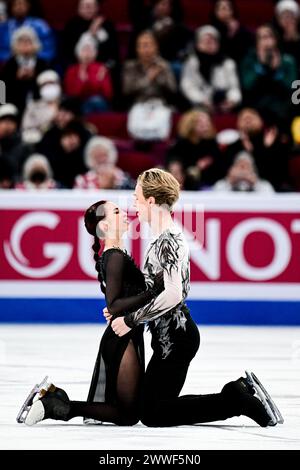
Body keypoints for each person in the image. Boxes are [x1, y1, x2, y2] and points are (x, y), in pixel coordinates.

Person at [108, 168, 282, 427]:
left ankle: (237, 399)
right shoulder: (160, 237)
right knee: (151, 409)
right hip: (169, 337)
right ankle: (236, 394)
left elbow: (173, 294)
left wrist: (131, 320)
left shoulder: (168, 240)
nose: (133, 202)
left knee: (154, 414)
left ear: (152, 201)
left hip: (177, 339)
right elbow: (152, 290)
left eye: (137, 197)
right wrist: (122, 308)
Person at [19, 200, 164, 426]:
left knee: (128, 412)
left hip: (125, 334)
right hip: (122, 338)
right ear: (104, 227)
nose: (124, 213)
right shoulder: (115, 256)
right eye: (116, 212)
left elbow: (118, 301)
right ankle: (53, 405)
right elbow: (114, 304)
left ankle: (56, 401)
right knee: (128, 415)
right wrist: (154, 291)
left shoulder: (117, 253)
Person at [180, 25, 242, 112]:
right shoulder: (191, 63)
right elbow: (188, 87)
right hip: (199, 106)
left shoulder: (227, 63)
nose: (209, 43)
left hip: (224, 106)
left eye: (212, 41)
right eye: (205, 41)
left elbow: (234, 87)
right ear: (197, 44)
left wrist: (231, 100)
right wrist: (202, 101)